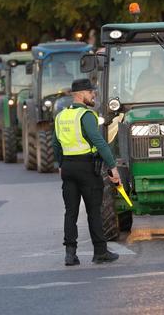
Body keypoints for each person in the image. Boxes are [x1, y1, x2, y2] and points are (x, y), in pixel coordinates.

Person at [53, 78, 120, 266]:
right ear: (81, 94)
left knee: (70, 212)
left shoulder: (61, 116)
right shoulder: (86, 115)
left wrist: (60, 164)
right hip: (86, 168)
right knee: (93, 211)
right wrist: (112, 166)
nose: (94, 95)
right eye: (91, 93)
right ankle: (100, 252)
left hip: (67, 168)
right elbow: (98, 141)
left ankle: (70, 254)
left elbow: (55, 143)